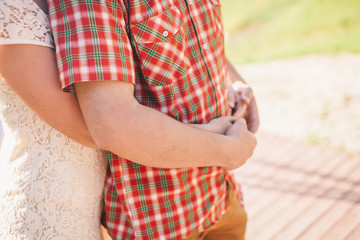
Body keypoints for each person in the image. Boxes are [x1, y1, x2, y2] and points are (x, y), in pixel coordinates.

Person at [0, 0, 255, 239]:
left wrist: (232, 82)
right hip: (65, 203)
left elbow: (191, 33)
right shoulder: (12, 12)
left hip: (216, 190)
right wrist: (224, 149)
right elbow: (106, 127)